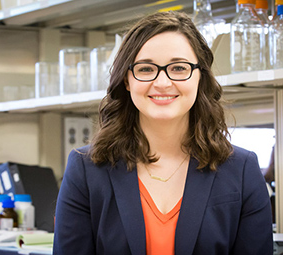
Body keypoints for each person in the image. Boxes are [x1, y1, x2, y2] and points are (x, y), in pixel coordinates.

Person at [53, 11, 273, 255]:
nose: (163, 82)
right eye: (146, 69)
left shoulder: (241, 170)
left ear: (200, 77)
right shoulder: (86, 169)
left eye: (178, 68)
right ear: (127, 80)